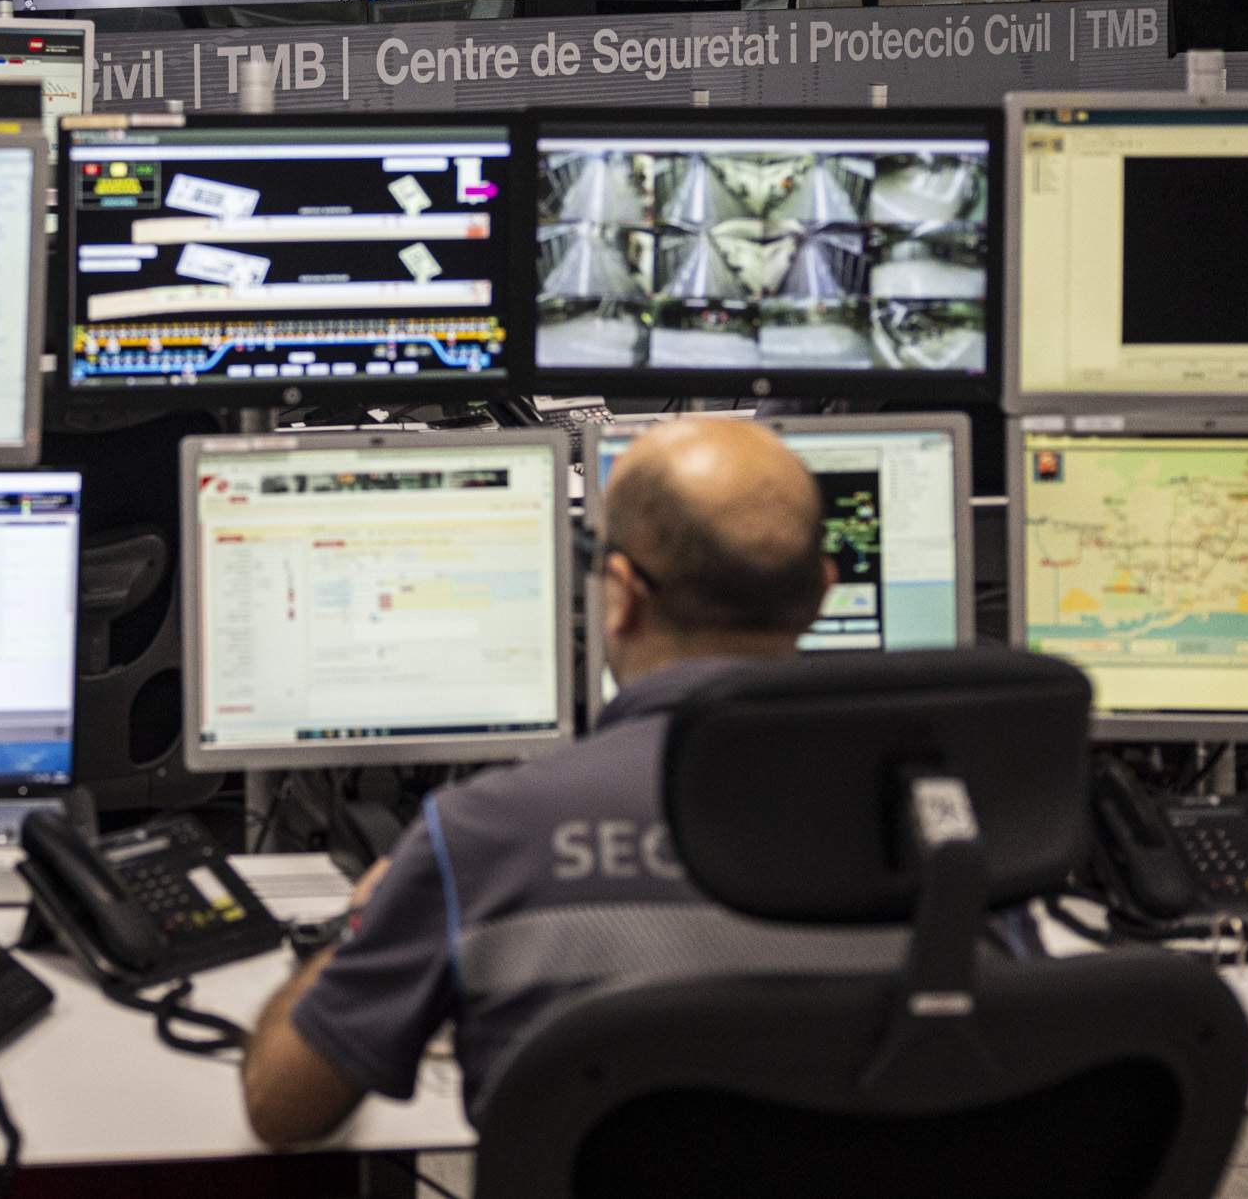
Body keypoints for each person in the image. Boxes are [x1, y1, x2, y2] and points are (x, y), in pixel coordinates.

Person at [243, 417, 892, 1149]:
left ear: (620, 594)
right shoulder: (941, 822)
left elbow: (281, 1105)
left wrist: (356, 923)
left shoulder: (487, 833)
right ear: (822, 593)